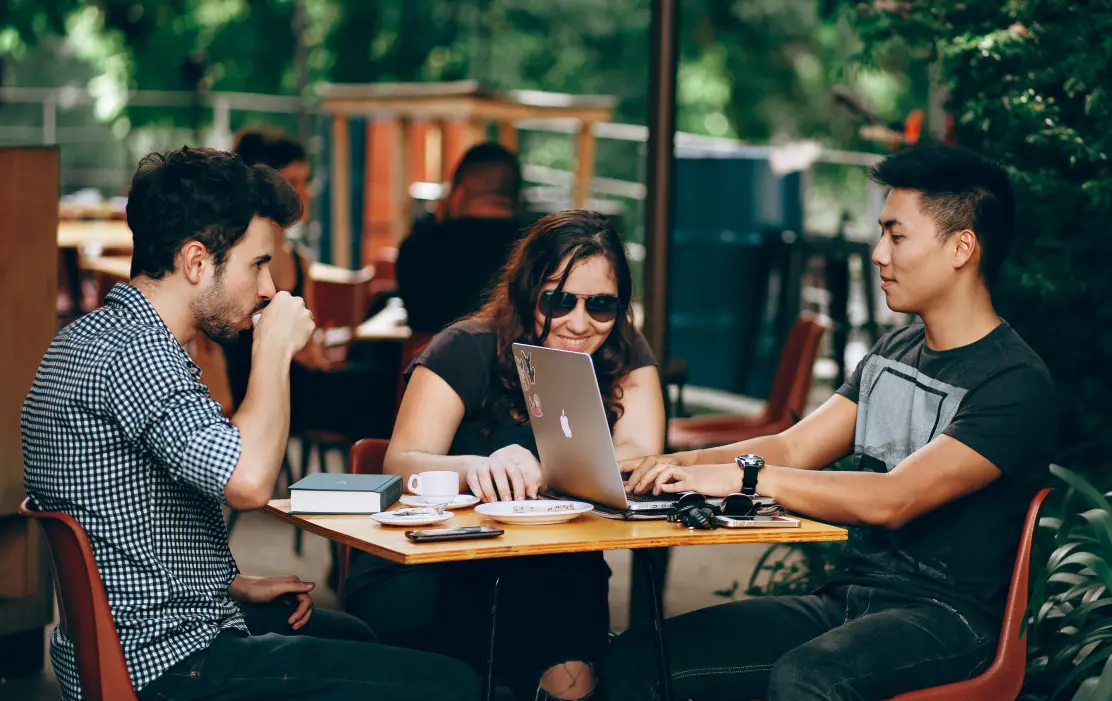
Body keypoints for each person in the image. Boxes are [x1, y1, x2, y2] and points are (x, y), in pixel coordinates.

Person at [22, 146, 479, 701]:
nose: (268, 288)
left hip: (134, 643)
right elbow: (249, 482)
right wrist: (273, 350)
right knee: (452, 684)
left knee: (354, 633)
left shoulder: (88, 339)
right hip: (170, 667)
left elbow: (119, 522)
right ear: (196, 261)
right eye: (258, 263)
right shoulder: (139, 354)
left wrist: (228, 586)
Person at [606, 144, 1056, 701]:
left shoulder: (1013, 381)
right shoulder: (895, 351)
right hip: (848, 601)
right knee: (638, 658)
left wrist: (748, 477)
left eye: (897, 235)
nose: (878, 253)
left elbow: (894, 498)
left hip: (948, 620)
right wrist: (669, 466)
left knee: (809, 677)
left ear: (962, 247)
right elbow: (794, 448)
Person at [345, 210, 666, 700]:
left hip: (550, 565)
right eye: (559, 302)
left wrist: (554, 468)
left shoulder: (621, 348)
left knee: (564, 573)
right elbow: (401, 462)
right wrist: (475, 469)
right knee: (555, 583)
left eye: (602, 305)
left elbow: (641, 451)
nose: (580, 323)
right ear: (527, 291)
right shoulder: (465, 347)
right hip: (437, 563)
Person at [222, 128, 394, 439]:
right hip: (262, 383)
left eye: (306, 182)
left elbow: (310, 346)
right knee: (385, 385)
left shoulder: (299, 260)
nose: (304, 193)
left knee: (382, 370)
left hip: (297, 378)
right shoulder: (237, 258)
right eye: (292, 182)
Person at [395, 141, 526, 334]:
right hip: (513, 362)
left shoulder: (417, 248)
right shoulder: (536, 248)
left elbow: (417, 322)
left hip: (433, 361)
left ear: (458, 192)